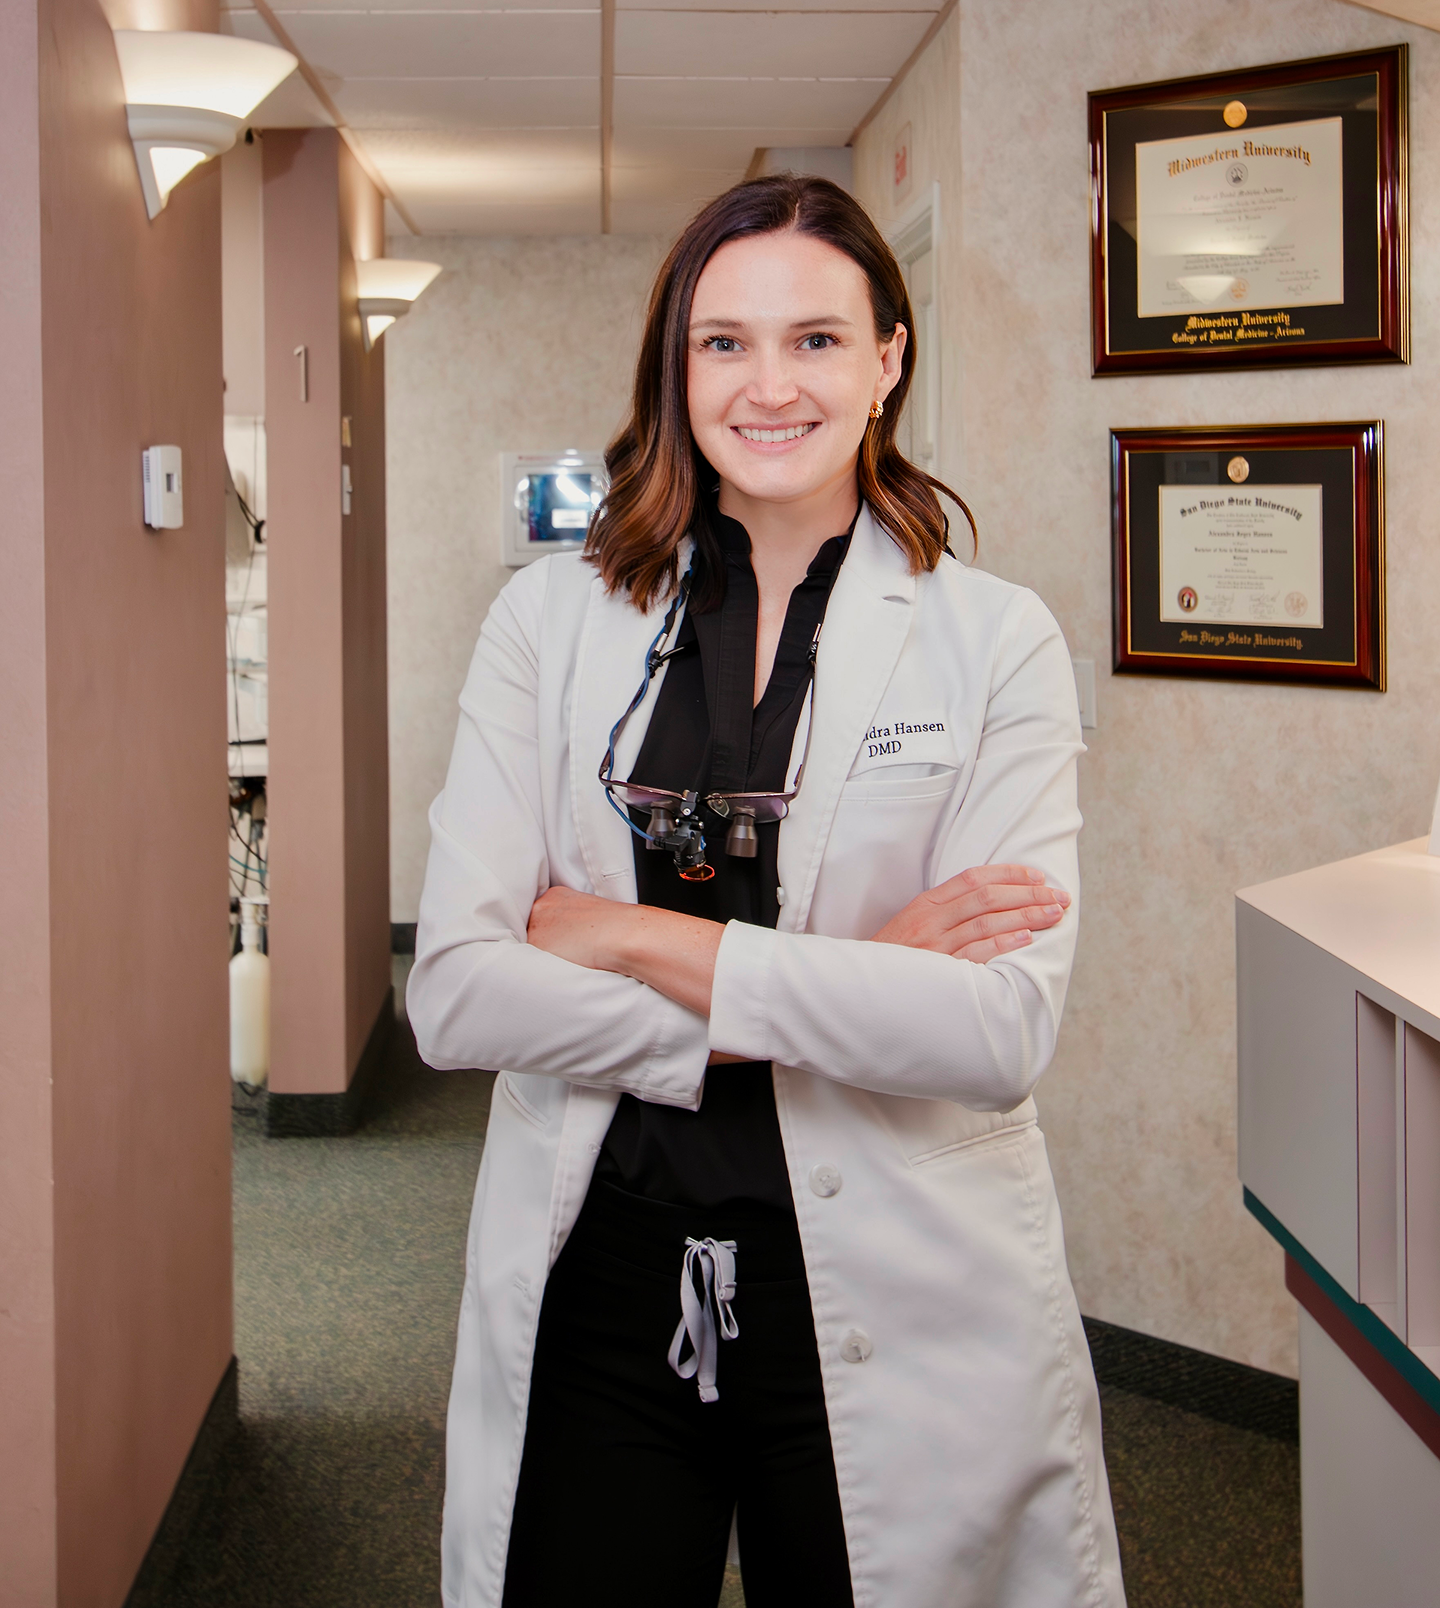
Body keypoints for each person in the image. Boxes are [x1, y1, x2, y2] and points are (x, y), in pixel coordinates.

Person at [409, 174, 1125, 1608]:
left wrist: (623, 936)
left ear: (888, 359)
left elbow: (992, 1035)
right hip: (605, 1266)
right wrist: (865, 972)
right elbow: (456, 992)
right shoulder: (549, 625)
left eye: (815, 339)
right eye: (723, 342)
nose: (769, 383)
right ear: (677, 369)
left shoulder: (996, 643)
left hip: (891, 1273)